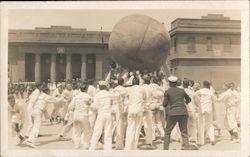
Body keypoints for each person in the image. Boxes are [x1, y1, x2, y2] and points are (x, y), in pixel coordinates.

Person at [163, 76, 191, 150]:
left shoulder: (167, 91)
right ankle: (187, 149)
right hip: (183, 112)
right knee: (184, 132)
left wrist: (170, 102)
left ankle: (165, 149)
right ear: (176, 83)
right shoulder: (181, 90)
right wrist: (183, 102)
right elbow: (189, 100)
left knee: (167, 132)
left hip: (173, 113)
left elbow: (164, 104)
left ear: (169, 83)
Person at [89, 81, 116, 150]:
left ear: (100, 87)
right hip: (108, 114)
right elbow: (116, 97)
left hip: (101, 114)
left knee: (97, 131)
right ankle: (108, 149)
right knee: (108, 132)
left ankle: (92, 147)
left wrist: (90, 105)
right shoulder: (109, 94)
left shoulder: (97, 95)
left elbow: (94, 106)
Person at [68, 83, 93, 149]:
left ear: (80, 89)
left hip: (76, 115)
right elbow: (93, 106)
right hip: (84, 115)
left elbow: (70, 106)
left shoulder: (76, 97)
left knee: (76, 131)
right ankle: (86, 145)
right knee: (87, 131)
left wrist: (72, 112)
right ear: (86, 89)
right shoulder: (88, 97)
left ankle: (77, 145)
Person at [124, 77, 146, 150]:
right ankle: (134, 146)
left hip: (131, 110)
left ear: (132, 83)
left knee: (130, 128)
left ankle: (128, 146)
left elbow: (125, 98)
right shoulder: (142, 89)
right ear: (138, 82)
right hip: (139, 110)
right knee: (137, 128)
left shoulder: (129, 89)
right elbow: (144, 98)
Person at [194, 80, 216, 146]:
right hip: (209, 109)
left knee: (201, 125)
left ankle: (201, 142)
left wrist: (198, 103)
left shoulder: (200, 91)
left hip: (201, 109)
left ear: (203, 85)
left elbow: (194, 96)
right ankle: (212, 139)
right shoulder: (211, 92)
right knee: (210, 125)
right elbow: (214, 100)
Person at [112, 78, 128, 149]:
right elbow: (126, 100)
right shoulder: (124, 90)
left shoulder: (114, 89)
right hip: (120, 107)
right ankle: (119, 144)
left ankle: (111, 140)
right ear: (123, 82)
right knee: (120, 125)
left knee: (113, 124)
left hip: (113, 107)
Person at [182, 79, 198, 149]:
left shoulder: (181, 91)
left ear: (183, 84)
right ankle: (193, 141)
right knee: (193, 126)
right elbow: (197, 102)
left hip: (184, 111)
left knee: (184, 127)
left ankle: (184, 143)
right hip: (192, 110)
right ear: (189, 85)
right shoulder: (193, 92)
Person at [141, 75, 154, 148]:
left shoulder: (141, 87)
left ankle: (135, 142)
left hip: (141, 106)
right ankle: (149, 141)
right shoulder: (151, 88)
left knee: (138, 125)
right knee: (148, 125)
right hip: (148, 107)